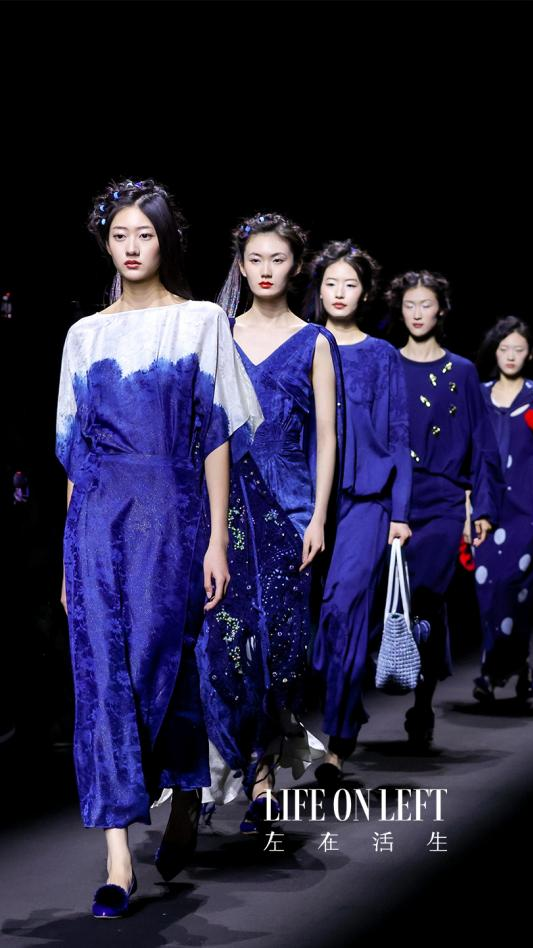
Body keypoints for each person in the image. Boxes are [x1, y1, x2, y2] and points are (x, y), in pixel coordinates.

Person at [56, 179, 261, 916]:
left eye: (145, 234)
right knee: (102, 678)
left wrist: (217, 539)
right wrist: (67, 558)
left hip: (173, 516)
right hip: (97, 519)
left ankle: (185, 796)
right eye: (120, 235)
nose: (132, 247)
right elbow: (76, 454)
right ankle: (118, 856)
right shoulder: (84, 335)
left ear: (165, 240)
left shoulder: (200, 321)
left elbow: (216, 436)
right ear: (105, 243)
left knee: (165, 665)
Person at [199, 213, 341, 831]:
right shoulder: (218, 333)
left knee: (280, 651)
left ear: (296, 266)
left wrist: (319, 516)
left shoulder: (315, 341)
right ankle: (229, 776)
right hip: (225, 514)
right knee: (224, 647)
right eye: (254, 259)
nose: (265, 270)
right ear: (240, 263)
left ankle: (262, 777)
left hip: (289, 512)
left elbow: (327, 437)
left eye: (277, 259)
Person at [306, 240, 412, 788]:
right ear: (318, 290)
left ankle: (338, 745)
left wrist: (400, 511)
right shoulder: (303, 344)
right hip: (305, 500)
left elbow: (398, 434)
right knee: (312, 623)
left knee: (344, 611)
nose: (340, 292)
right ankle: (329, 705)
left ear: (365, 293)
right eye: (331, 283)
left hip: (368, 502)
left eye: (350, 284)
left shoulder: (382, 355)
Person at [389, 270, 501, 745]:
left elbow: (483, 442)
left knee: (426, 597)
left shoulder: (463, 371)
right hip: (392, 498)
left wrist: (483, 508)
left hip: (444, 500)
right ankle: (388, 678)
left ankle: (422, 701)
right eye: (409, 305)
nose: (417, 313)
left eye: (425, 304)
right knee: (391, 599)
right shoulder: (387, 363)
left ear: (441, 310)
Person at [473, 317, 533, 702]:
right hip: (487, 506)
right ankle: (499, 665)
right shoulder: (479, 394)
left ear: (530, 354)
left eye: (519, 349)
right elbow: (472, 455)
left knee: (514, 588)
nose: (511, 356)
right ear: (495, 351)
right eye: (504, 348)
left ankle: (503, 667)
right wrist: (468, 505)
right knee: (487, 588)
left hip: (529, 505)